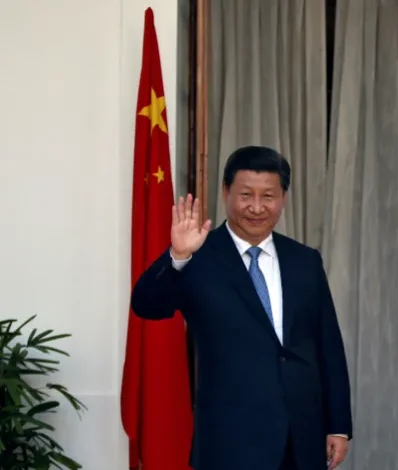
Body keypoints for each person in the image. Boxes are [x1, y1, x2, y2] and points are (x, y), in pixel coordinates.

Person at [131, 146, 353, 470]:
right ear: (225, 191)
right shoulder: (199, 256)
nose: (257, 207)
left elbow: (328, 346)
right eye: (246, 194)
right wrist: (177, 256)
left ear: (283, 198)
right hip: (229, 442)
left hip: (302, 437)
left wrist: (338, 424)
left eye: (268, 196)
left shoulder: (304, 261)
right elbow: (146, 305)